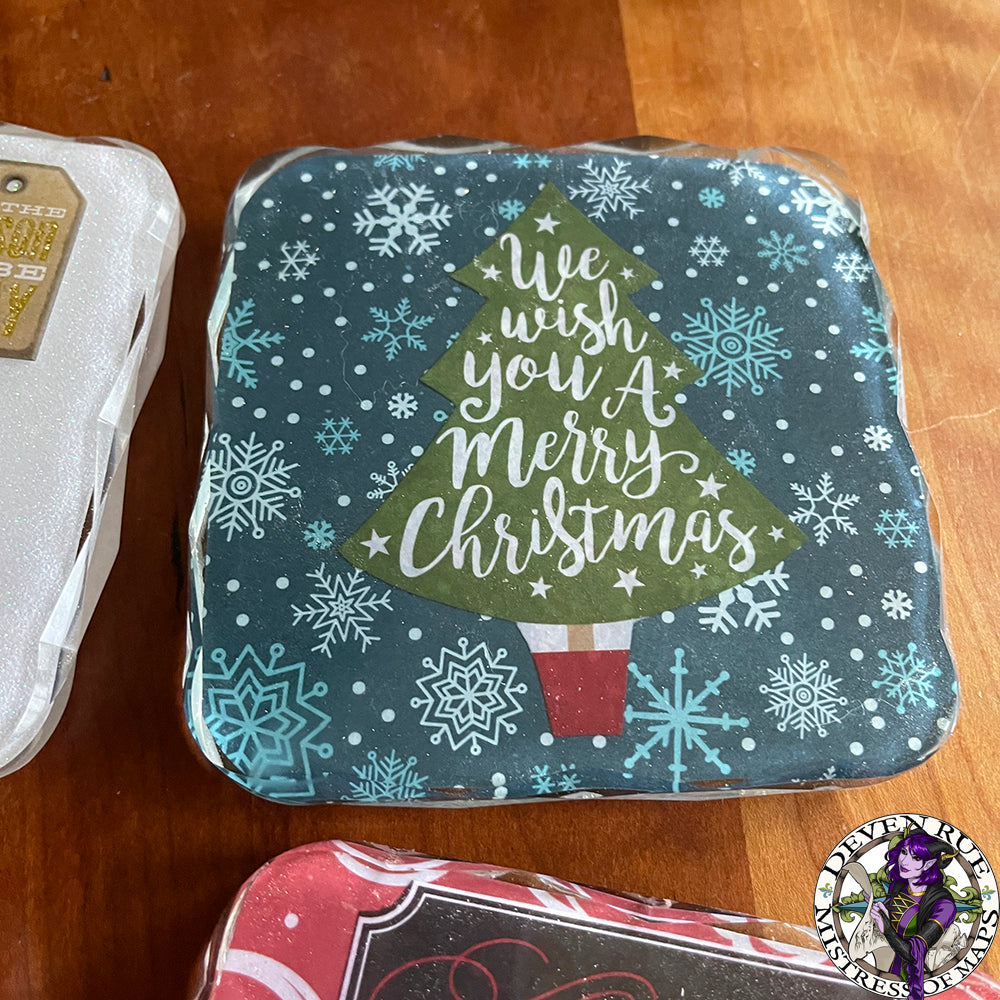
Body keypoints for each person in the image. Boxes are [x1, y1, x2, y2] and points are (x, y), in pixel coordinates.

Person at [869, 829, 959, 1000]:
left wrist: (887, 928)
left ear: (928, 864)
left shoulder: (944, 905)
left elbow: (912, 953)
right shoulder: (899, 889)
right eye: (904, 852)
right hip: (882, 976)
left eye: (916, 858)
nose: (904, 861)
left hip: (911, 984)